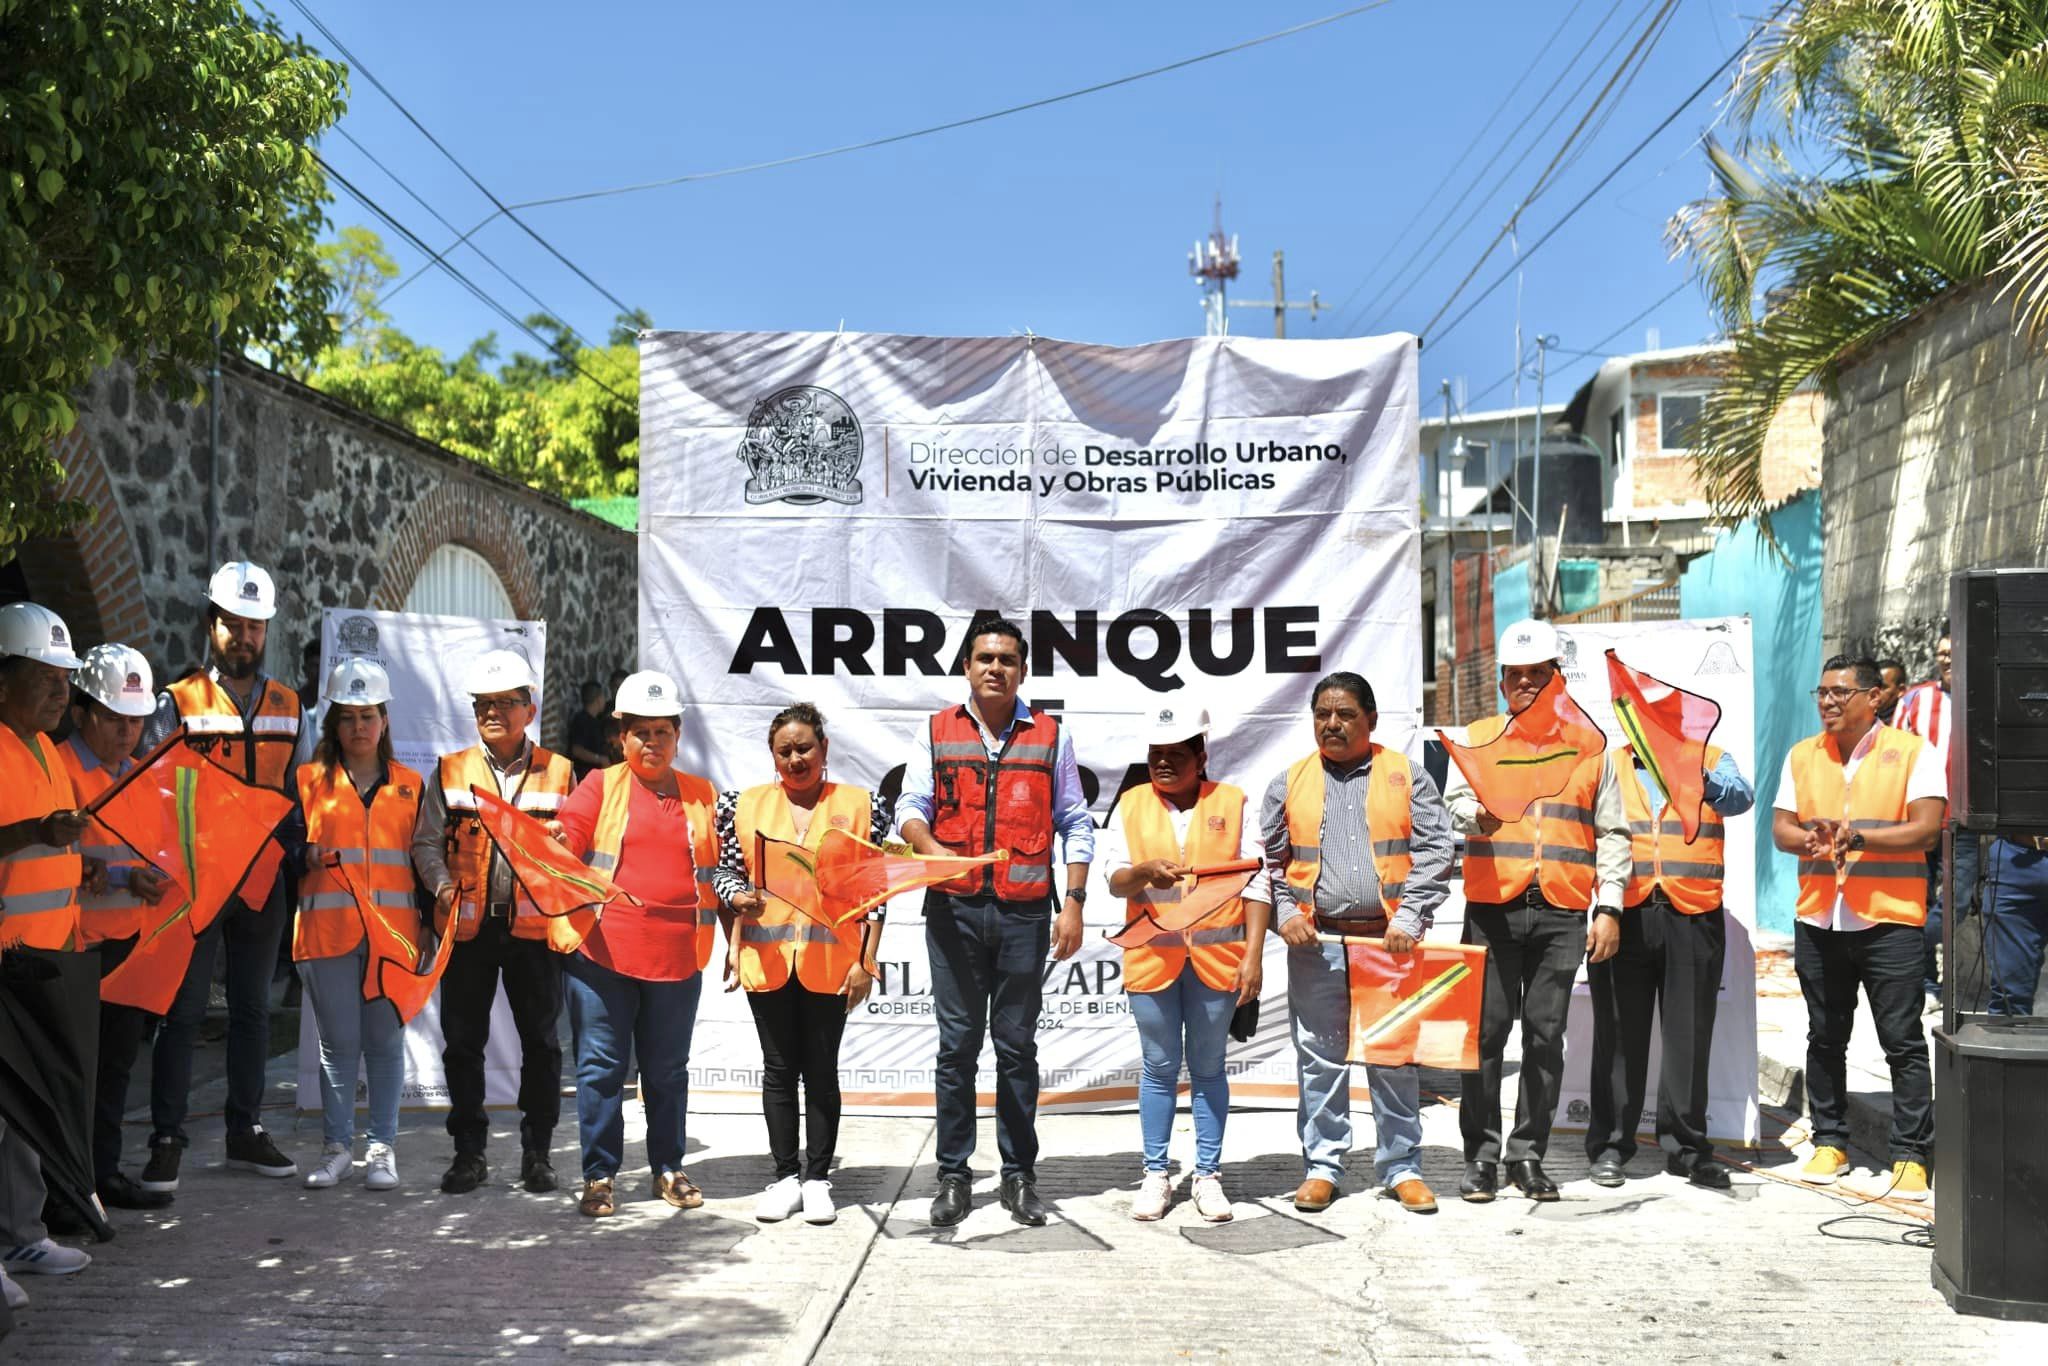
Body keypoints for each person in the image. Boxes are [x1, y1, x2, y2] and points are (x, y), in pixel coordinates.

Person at [897, 617, 1094, 1228]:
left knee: (1016, 1050)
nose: (995, 668)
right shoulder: (936, 731)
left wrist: (1075, 903)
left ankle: (1017, 1177)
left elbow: (1076, 821)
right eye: (985, 657)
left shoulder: (1050, 736)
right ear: (966, 667)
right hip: (953, 911)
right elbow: (910, 806)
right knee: (956, 1050)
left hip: (1024, 913)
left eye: (1008, 659)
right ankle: (953, 1177)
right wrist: (932, 845)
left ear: (1023, 671)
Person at [135, 561, 310, 1192]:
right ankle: (166, 1138)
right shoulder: (175, 703)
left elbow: (302, 792)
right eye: (232, 624)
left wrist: (298, 849)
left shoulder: (292, 708)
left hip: (264, 881)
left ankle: (245, 1131)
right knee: (180, 1014)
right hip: (195, 881)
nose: (244, 636)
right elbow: (149, 795)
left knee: (252, 1013)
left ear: (267, 632)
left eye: (254, 626)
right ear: (211, 625)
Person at [1444, 619, 1631, 1203]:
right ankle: (1481, 1158)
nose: (1524, 685)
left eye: (1536, 676)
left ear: (1558, 678)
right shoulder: (1478, 737)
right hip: (1494, 908)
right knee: (1485, 1037)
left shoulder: (1590, 745)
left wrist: (1611, 907)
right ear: (1501, 682)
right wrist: (1476, 815)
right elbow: (1451, 802)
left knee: (1546, 1037)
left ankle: (1528, 1156)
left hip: (1562, 910)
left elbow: (1615, 833)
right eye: (1514, 677)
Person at [1261, 673, 1453, 1216]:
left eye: (1344, 714)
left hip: (1387, 943)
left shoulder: (1406, 777)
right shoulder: (1289, 782)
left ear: (1371, 719)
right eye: (1322, 713)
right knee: (1320, 1059)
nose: (1332, 724)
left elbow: (1437, 850)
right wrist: (1286, 913)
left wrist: (1411, 917)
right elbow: (1269, 863)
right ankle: (1323, 1166)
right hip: (1316, 946)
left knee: (1392, 1058)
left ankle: (1402, 1168)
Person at [1773, 655, 1943, 1199]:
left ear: (1875, 697)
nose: (1828, 701)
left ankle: (1911, 1154)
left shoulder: (1914, 753)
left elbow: (1927, 830)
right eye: (1821, 691)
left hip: (1889, 919)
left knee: (1902, 1042)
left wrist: (1857, 840)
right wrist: (1812, 841)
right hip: (1820, 917)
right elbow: (1782, 828)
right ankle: (1830, 1142)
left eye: (1841, 692)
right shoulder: (1803, 755)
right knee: (1825, 1038)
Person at [553, 670, 722, 1218]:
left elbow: (719, 869)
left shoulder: (702, 794)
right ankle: (600, 1176)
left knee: (668, 1069)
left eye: (663, 732)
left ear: (678, 736)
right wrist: (557, 837)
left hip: (676, 955)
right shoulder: (598, 786)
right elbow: (571, 838)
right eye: (640, 732)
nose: (652, 743)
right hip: (603, 953)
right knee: (601, 1068)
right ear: (619, 738)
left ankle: (667, 1169)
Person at [713, 703, 888, 1226]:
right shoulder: (739, 804)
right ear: (772, 755)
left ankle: (818, 1179)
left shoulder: (861, 805)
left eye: (804, 748)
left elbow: (875, 890)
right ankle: (784, 1176)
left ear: (824, 749)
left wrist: (867, 959)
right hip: (766, 959)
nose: (795, 759)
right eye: (784, 751)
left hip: (832, 960)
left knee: (821, 1070)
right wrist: (736, 897)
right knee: (778, 1071)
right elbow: (725, 872)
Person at [410, 648, 575, 1196]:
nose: (493, 712)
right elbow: (426, 841)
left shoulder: (561, 771)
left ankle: (537, 1153)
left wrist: (563, 845)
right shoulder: (452, 769)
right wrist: (440, 885)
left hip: (533, 931)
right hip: (469, 929)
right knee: (462, 1043)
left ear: (530, 708)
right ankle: (468, 1153)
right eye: (483, 703)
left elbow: (577, 849)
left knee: (543, 1045)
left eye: (506, 702)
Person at [1107, 699, 1270, 1223]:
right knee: (1157, 1068)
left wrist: (1254, 957)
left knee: (1207, 1068)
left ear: (1201, 754)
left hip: (1216, 962)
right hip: (1152, 960)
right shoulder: (1131, 804)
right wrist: (1142, 873)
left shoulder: (1234, 801)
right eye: (1156, 753)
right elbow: (1114, 877)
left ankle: (1208, 1176)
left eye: (1176, 754)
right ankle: (1157, 1174)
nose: (1164, 763)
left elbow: (1258, 881)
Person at [1584, 737, 1755, 1190]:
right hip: (1625, 912)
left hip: (1693, 915)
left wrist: (1694, 775)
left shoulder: (1713, 759)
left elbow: (1740, 797)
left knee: (1689, 1038)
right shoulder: (1608, 764)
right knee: (1618, 1036)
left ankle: (1687, 1149)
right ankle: (1611, 1146)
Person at [289, 659, 422, 1192]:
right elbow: (281, 853)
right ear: (334, 725)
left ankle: (382, 1149)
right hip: (328, 936)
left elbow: (425, 859)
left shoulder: (412, 785)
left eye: (369, 716)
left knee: (386, 1044)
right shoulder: (307, 781)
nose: (359, 727)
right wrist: (304, 853)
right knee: (338, 1045)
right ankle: (337, 1148)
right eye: (348, 717)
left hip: (392, 938)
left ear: (385, 721)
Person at [56, 644, 175, 1212]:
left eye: (137, 721)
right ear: (81, 713)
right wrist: (116, 874)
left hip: (128, 946)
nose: (129, 732)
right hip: (70, 949)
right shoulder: (57, 768)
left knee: (116, 1068)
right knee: (71, 1073)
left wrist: (147, 877)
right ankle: (68, 1186)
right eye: (115, 719)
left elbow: (145, 854)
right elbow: (44, 855)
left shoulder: (140, 776)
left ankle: (100, 1176)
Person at [0, 602, 94, 1306]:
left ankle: (23, 1234)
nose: (63, 691)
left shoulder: (44, 750)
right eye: (48, 676)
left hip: (42, 961)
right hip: (6, 959)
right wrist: (40, 831)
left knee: (24, 1113)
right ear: (4, 681)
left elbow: (50, 849)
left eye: (66, 678)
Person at [1892, 634, 1954, 1008]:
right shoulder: (1915, 699)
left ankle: (1916, 942)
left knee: (1954, 902)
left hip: (1962, 823)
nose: (1945, 658)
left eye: (1953, 651)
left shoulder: (1986, 690)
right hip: (1917, 821)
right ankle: (1928, 984)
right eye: (1941, 653)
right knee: (1919, 895)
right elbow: (1894, 755)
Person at [567, 681, 612, 781]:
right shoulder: (581, 721)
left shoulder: (597, 721)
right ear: (598, 699)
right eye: (603, 696)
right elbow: (576, 750)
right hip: (584, 778)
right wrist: (600, 759)